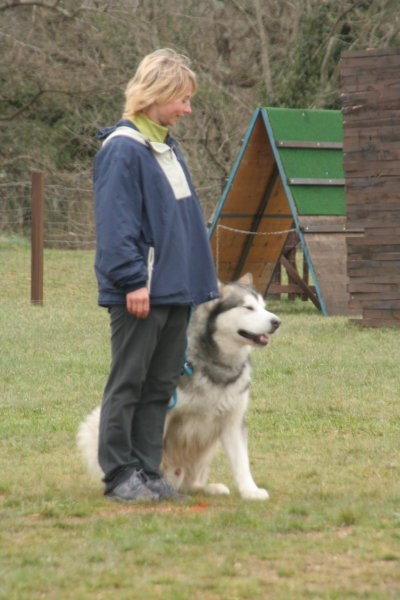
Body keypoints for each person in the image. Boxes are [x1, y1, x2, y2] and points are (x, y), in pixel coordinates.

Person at [93, 48, 219, 502]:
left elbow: (177, 221)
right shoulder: (123, 149)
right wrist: (132, 281)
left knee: (160, 386)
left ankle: (147, 472)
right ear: (155, 94)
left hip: (175, 291)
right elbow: (116, 224)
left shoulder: (166, 145)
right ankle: (119, 474)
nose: (187, 109)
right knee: (128, 381)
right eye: (181, 99)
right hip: (141, 291)